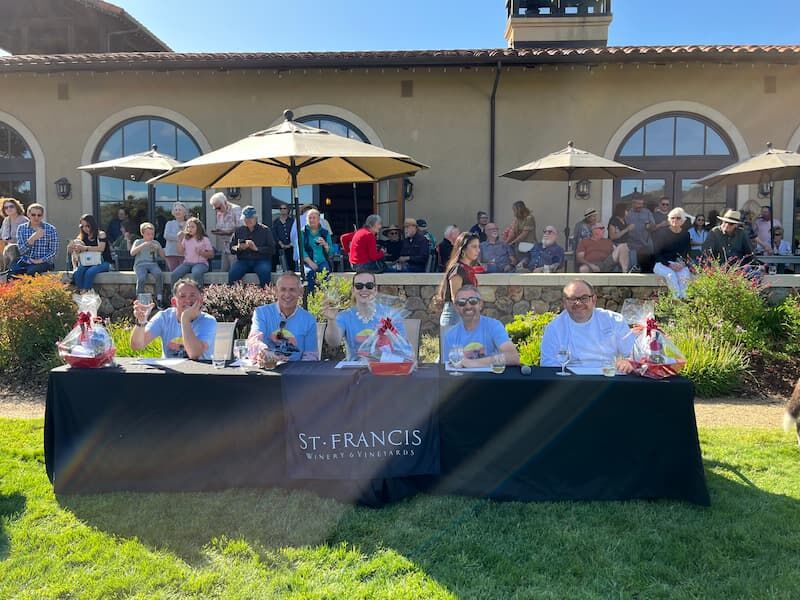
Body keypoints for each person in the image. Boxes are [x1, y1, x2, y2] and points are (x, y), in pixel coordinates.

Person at [540, 279, 635, 371]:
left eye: (584, 298)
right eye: (573, 298)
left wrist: (627, 363)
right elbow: (549, 366)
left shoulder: (614, 321)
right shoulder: (554, 328)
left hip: (608, 377)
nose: (578, 303)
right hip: (570, 382)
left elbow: (634, 355)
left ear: (594, 300)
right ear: (565, 303)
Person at [323, 270, 407, 359]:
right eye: (359, 286)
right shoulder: (345, 316)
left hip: (384, 367)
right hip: (354, 369)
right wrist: (331, 320)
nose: (364, 289)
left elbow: (401, 345)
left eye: (369, 286)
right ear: (353, 290)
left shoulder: (390, 315)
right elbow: (333, 342)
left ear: (375, 289)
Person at [131, 277, 217, 360]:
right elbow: (137, 345)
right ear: (174, 302)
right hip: (171, 372)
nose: (188, 300)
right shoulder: (164, 317)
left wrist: (185, 319)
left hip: (199, 372)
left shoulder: (208, 321)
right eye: (182, 296)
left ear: (200, 300)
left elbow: (194, 354)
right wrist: (141, 322)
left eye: (192, 295)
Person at [247, 272, 318, 364]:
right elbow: (253, 341)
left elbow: (311, 355)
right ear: (276, 291)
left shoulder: (309, 319)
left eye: (292, 290)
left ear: (300, 292)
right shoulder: (261, 313)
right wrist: (266, 352)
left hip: (295, 372)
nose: (287, 294)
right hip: (266, 369)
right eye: (283, 289)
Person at [443, 285, 520, 368]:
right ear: (456, 308)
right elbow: (447, 368)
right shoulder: (450, 335)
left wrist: (473, 363)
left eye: (473, 301)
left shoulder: (494, 326)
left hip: (491, 379)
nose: (468, 306)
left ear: (480, 304)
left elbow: (513, 357)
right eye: (462, 302)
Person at [437, 231, 480, 358]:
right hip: (455, 316)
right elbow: (457, 298)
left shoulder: (467, 269)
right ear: (463, 249)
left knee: (462, 356)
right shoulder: (457, 269)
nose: (477, 250)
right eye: (474, 246)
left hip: (465, 315)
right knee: (449, 357)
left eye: (478, 246)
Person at [228, 205, 275, 287]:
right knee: (233, 273)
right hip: (243, 260)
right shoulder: (239, 231)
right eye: (246, 218)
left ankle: (266, 296)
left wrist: (256, 248)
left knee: (264, 272)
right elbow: (232, 248)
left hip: (261, 260)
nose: (248, 220)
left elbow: (272, 249)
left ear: (256, 218)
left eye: (250, 218)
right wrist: (239, 248)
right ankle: (236, 296)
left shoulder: (265, 230)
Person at [8, 203, 58, 276]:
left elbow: (54, 251)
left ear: (42, 216)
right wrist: (32, 239)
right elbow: (21, 251)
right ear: (28, 214)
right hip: (26, 260)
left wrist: (39, 261)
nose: (36, 217)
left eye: (39, 215)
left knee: (31, 272)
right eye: (33, 215)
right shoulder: (22, 228)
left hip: (44, 262)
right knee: (12, 272)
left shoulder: (51, 229)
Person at [653, 208, 692, 299]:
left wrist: (683, 263)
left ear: (682, 221)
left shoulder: (686, 234)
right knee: (671, 276)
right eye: (672, 218)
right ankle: (677, 299)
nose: (675, 220)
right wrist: (669, 265)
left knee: (684, 276)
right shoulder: (661, 233)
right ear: (669, 219)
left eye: (678, 218)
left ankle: (684, 299)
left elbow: (687, 252)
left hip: (679, 263)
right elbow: (657, 254)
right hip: (662, 263)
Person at [68, 214, 112, 291]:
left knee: (90, 272)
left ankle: (86, 291)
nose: (85, 228)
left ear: (92, 225)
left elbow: (101, 248)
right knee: (78, 272)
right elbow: (75, 252)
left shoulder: (101, 234)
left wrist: (85, 248)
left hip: (103, 262)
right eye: (82, 226)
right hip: (87, 262)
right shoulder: (81, 237)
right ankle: (80, 291)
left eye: (87, 226)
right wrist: (73, 247)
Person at [130, 222, 166, 305]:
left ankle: (159, 297)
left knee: (159, 274)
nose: (150, 236)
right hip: (140, 264)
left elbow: (163, 256)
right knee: (142, 278)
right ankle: (139, 298)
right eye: (148, 234)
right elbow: (132, 253)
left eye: (152, 234)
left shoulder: (156, 243)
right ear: (143, 234)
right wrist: (143, 245)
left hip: (152, 264)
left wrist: (158, 249)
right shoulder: (138, 242)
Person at [173, 217, 214, 287]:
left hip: (201, 264)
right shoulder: (186, 239)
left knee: (196, 273)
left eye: (192, 227)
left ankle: (199, 293)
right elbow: (180, 252)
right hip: (187, 263)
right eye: (188, 227)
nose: (189, 229)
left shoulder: (205, 239)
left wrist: (202, 253)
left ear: (198, 228)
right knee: (174, 274)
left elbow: (211, 254)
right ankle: (174, 294)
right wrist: (179, 240)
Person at [300, 208, 334, 293]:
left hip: (322, 261)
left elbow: (331, 252)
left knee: (325, 272)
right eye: (309, 218)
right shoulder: (302, 232)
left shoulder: (324, 232)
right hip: (307, 262)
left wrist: (325, 245)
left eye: (314, 218)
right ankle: (310, 298)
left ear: (319, 219)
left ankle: (323, 297)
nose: (311, 220)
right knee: (310, 273)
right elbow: (300, 250)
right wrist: (310, 262)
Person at [209, 191, 240, 272]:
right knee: (223, 271)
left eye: (219, 208)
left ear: (225, 202)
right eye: (215, 208)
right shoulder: (219, 213)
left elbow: (240, 227)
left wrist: (227, 232)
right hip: (225, 246)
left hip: (234, 247)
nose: (217, 210)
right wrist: (217, 230)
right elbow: (220, 226)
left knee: (234, 271)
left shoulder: (235, 209)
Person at [625, 194, 656, 272]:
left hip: (647, 243)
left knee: (649, 266)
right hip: (633, 243)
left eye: (642, 204)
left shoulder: (647, 212)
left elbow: (653, 226)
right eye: (638, 204)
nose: (641, 206)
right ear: (633, 203)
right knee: (634, 267)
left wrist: (649, 226)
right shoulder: (627, 214)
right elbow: (624, 228)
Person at [0, 197, 28, 271]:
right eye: (6, 207)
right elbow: (3, 236)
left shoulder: (23, 220)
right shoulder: (6, 220)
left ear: (17, 207)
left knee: (10, 248)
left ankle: (10, 270)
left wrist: (10, 241)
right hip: (7, 247)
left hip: (21, 248)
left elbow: (25, 238)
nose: (8, 209)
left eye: (11, 206)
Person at [163, 201, 188, 271]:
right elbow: (166, 235)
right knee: (173, 273)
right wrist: (179, 238)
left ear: (184, 212)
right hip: (171, 252)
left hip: (184, 253)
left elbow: (189, 237)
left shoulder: (188, 224)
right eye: (176, 210)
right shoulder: (169, 223)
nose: (177, 212)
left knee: (184, 273)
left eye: (180, 210)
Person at [272, 203, 295, 272]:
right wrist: (280, 243)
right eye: (281, 208)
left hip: (290, 247)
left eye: (284, 208)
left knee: (291, 265)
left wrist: (290, 244)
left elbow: (295, 233)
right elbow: (274, 234)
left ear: (288, 210)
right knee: (276, 264)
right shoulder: (276, 221)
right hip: (278, 247)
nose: (282, 210)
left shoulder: (292, 221)